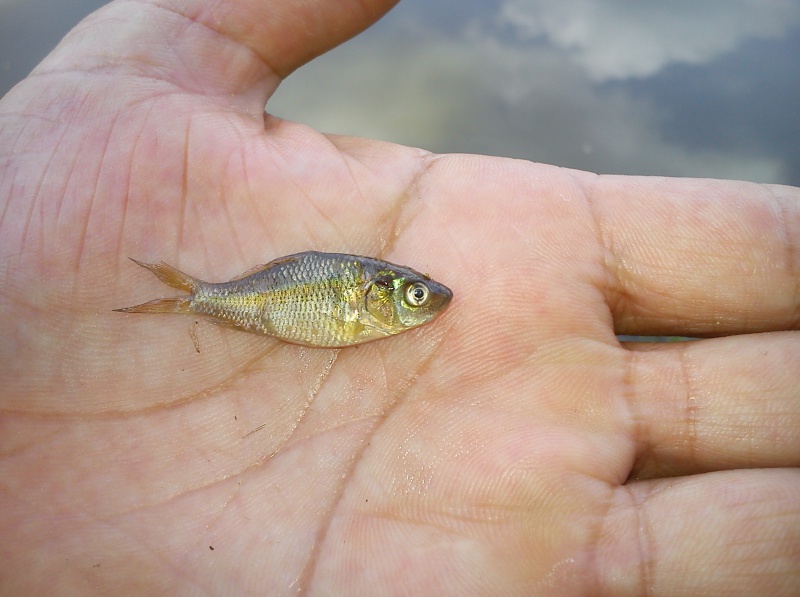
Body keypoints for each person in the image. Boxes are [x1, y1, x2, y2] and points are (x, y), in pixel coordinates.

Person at [0, 0, 797, 594]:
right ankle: (194, 296)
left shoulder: (361, 301)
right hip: (269, 306)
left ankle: (193, 296)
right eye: (410, 294)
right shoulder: (347, 298)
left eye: (412, 294)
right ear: (377, 295)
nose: (422, 301)